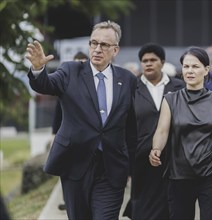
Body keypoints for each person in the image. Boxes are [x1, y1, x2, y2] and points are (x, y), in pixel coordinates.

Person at [25, 20, 137, 219]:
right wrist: (38, 70)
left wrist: (132, 166)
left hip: (111, 167)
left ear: (115, 50)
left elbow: (130, 125)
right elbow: (46, 85)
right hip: (76, 163)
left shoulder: (127, 79)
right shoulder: (70, 71)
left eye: (104, 45)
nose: (97, 49)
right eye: (94, 43)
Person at [150, 46, 212, 220]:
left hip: (211, 174)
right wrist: (156, 148)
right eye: (186, 67)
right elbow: (162, 130)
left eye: (195, 66)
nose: (190, 71)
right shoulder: (170, 100)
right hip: (179, 176)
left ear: (206, 70)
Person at [125, 43, 185, 220]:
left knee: (172, 202)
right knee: (143, 203)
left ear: (162, 62)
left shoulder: (179, 87)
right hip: (141, 157)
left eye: (153, 60)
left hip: (174, 156)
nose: (148, 64)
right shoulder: (131, 88)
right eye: (144, 61)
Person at [51, 51, 88, 211]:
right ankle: (69, 200)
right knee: (68, 173)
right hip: (68, 139)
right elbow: (58, 114)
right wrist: (55, 136)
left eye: (82, 62)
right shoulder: (66, 85)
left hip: (88, 140)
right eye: (77, 61)